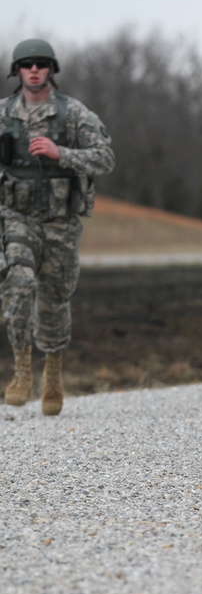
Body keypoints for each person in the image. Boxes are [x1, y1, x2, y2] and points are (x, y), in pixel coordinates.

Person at [0, 38, 115, 416]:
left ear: (51, 69)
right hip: (14, 216)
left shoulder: (73, 114)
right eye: (27, 64)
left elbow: (105, 158)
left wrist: (59, 152)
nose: (34, 70)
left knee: (54, 298)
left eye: (41, 64)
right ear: (17, 71)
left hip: (60, 221)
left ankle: (53, 373)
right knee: (18, 283)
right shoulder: (3, 114)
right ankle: (20, 371)